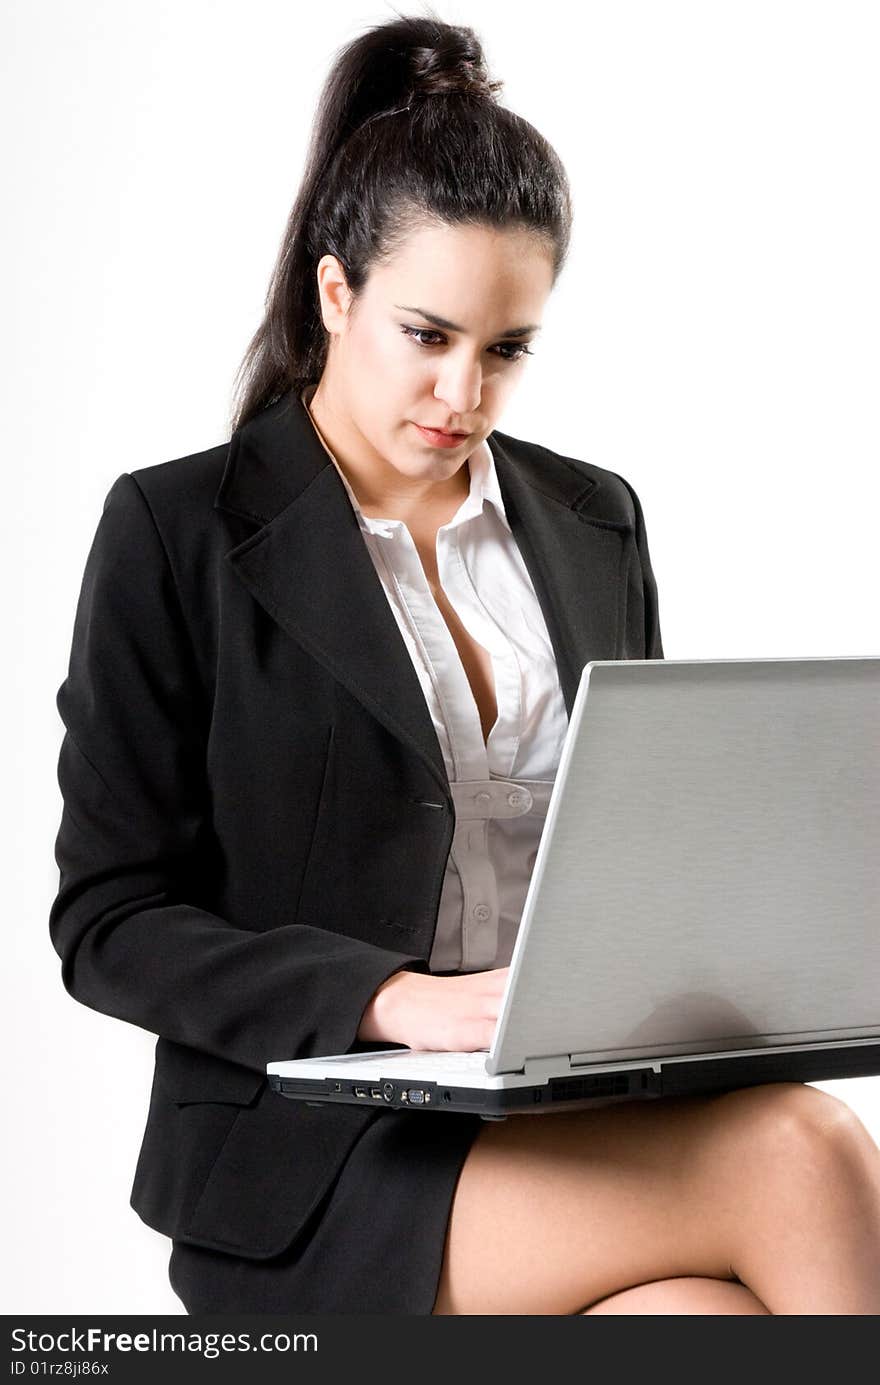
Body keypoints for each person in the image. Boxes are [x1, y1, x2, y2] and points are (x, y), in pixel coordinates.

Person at [49, 13, 880, 1316]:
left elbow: (636, 851)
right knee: (801, 1152)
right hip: (312, 1160)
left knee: (704, 1321)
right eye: (427, 334)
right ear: (338, 294)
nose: (463, 392)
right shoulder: (177, 531)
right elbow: (107, 921)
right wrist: (388, 998)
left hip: (567, 1118)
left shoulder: (593, 517)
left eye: (505, 349)